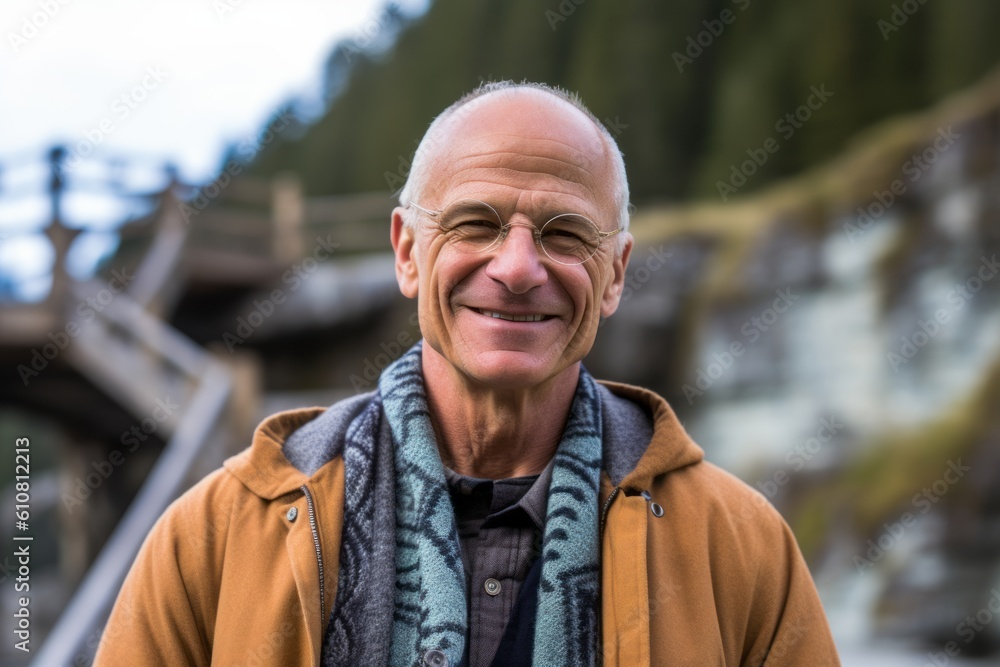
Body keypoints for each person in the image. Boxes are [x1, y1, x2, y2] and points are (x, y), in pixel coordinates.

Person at [96, 81, 841, 666]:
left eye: (565, 233)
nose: (518, 268)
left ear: (614, 274)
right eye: (476, 223)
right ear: (408, 252)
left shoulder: (741, 550)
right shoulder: (216, 536)